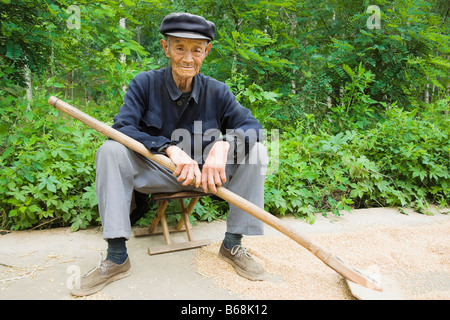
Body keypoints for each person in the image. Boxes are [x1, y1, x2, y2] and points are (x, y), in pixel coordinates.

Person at [71, 12, 268, 297]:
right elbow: (122, 127)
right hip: (158, 172)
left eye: (196, 50)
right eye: (179, 48)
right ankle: (116, 257)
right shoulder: (144, 84)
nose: (188, 58)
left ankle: (232, 244)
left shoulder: (218, 91)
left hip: (206, 176)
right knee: (110, 149)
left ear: (206, 52)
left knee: (257, 151)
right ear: (166, 49)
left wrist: (223, 145)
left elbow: (253, 127)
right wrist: (169, 148)